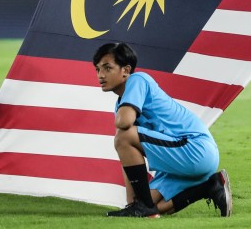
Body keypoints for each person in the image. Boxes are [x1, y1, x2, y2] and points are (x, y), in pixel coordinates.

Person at [93, 42, 232, 218]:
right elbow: (126, 156)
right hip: (185, 159)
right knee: (151, 206)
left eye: (107, 68)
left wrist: (139, 204)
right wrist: (132, 205)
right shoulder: (121, 103)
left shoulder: (137, 80)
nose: (101, 75)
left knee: (123, 136)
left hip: (194, 148)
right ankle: (209, 187)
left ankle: (143, 206)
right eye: (98, 69)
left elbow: (124, 124)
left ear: (126, 70)